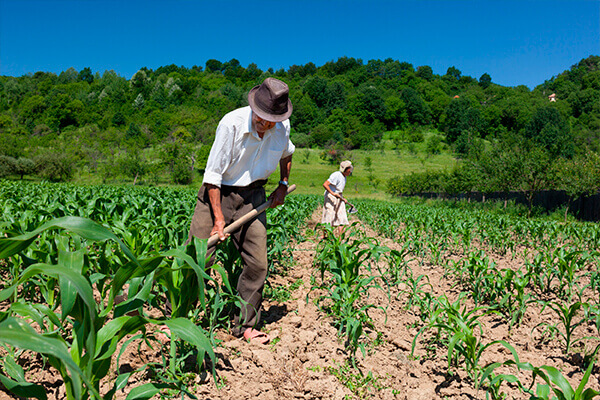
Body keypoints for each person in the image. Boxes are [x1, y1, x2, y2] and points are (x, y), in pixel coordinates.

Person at [187, 77, 294, 344]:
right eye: (262, 116)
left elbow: (287, 153)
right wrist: (218, 219)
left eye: (271, 119)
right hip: (218, 193)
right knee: (197, 258)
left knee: (258, 263)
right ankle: (175, 317)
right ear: (254, 106)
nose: (266, 123)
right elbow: (212, 176)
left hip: (254, 197)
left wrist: (282, 183)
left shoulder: (282, 127)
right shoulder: (231, 123)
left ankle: (245, 325)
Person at [322, 160, 353, 236]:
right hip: (330, 197)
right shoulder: (336, 175)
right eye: (350, 169)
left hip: (339, 196)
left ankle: (340, 239)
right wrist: (333, 193)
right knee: (329, 216)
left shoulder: (344, 177)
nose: (351, 170)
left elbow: (339, 189)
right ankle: (325, 236)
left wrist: (343, 198)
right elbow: (325, 184)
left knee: (342, 217)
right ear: (346, 169)